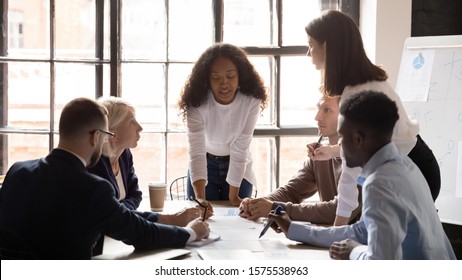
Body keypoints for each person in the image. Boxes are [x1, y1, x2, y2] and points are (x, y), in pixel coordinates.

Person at [0, 97, 209, 259]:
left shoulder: (17, 171)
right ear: (96, 137)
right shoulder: (92, 188)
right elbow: (140, 234)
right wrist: (190, 233)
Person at [268, 91, 455, 260]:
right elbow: (361, 232)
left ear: (357, 140)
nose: (337, 148)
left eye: (341, 139)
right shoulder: (405, 166)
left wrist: (353, 251)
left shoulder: (379, 184)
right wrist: (293, 229)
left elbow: (379, 262)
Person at [304, 10, 441, 226]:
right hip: (413, 166)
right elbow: (366, 144)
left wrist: (337, 228)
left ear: (327, 47)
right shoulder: (364, 82)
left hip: (413, 171)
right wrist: (331, 151)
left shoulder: (357, 94)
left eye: (311, 45)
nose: (308, 53)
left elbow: (350, 173)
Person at [239, 95, 361, 224]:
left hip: (360, 242)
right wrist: (257, 204)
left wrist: (274, 208)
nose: (317, 117)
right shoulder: (320, 153)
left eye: (326, 110)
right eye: (319, 109)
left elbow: (335, 211)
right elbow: (291, 192)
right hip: (332, 238)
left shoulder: (361, 160)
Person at [178, 43, 268, 210]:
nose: (224, 83)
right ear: (207, 79)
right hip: (205, 162)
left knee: (238, 219)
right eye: (216, 78)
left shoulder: (251, 100)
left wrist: (234, 196)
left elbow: (241, 148)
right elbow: (196, 151)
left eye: (230, 76)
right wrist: (199, 197)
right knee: (201, 216)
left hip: (238, 164)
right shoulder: (197, 102)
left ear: (240, 76)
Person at [88, 97, 200, 227]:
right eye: (131, 122)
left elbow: (135, 195)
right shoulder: (95, 164)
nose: (140, 128)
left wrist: (121, 209)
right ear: (113, 134)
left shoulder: (124, 155)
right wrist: (170, 220)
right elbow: (110, 215)